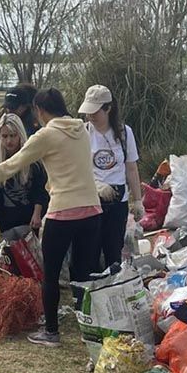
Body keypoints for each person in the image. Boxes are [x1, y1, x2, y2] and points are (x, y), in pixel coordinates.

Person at [0, 89, 101, 348]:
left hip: (63, 212)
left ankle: (52, 333)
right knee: (83, 274)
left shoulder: (46, 135)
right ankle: (89, 329)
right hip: (91, 211)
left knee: (50, 275)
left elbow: (12, 165)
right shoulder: (83, 130)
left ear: (41, 111)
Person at [78, 84, 143, 270]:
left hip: (118, 201)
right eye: (88, 112)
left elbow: (131, 168)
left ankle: (112, 284)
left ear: (108, 108)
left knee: (113, 250)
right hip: (92, 199)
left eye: (95, 112)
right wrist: (97, 185)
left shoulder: (124, 133)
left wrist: (138, 201)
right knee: (89, 250)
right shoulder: (82, 132)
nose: (90, 116)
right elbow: (78, 168)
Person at [0, 113, 48, 236]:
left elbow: (40, 188)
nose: (9, 141)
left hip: (30, 216)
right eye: (4, 136)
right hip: (5, 218)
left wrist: (37, 214)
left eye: (13, 136)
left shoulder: (32, 158)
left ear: (20, 135)